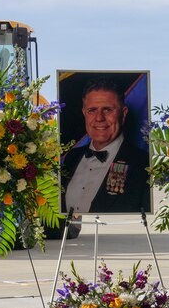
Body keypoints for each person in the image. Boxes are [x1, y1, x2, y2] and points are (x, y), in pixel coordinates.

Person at [61, 79, 151, 214]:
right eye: (92, 110)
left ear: (123, 113)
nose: (99, 118)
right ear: (84, 113)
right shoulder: (71, 158)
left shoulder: (144, 165)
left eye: (107, 110)